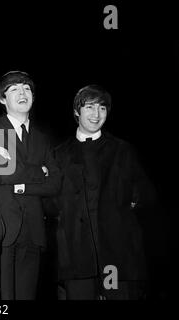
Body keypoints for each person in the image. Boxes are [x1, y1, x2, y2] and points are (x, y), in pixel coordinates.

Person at [51, 84, 156, 299]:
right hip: (75, 259)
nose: (96, 114)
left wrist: (125, 206)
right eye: (89, 107)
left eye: (102, 108)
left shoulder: (122, 150)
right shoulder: (58, 155)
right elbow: (50, 202)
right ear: (76, 111)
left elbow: (146, 193)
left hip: (116, 258)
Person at [0, 71, 61, 300]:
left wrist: (22, 184)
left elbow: (54, 184)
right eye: (14, 89)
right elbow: (3, 174)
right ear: (2, 99)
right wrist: (39, 172)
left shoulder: (43, 138)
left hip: (34, 232)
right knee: (1, 298)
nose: (22, 93)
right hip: (4, 229)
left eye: (26, 89)